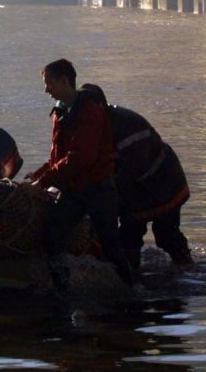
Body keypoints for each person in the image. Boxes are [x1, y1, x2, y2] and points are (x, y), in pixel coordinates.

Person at [24, 59, 133, 290]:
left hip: (98, 189)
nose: (46, 89)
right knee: (53, 237)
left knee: (110, 243)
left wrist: (42, 182)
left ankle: (131, 287)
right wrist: (40, 174)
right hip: (73, 190)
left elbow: (80, 157)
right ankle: (61, 285)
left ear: (64, 81)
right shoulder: (60, 112)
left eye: (49, 83)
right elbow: (59, 157)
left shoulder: (90, 111)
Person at [82, 84, 193, 273]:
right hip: (132, 193)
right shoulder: (92, 127)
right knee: (129, 236)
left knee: (166, 234)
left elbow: (132, 169)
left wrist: (105, 197)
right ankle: (131, 274)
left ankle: (186, 268)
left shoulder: (127, 125)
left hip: (163, 184)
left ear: (99, 107)